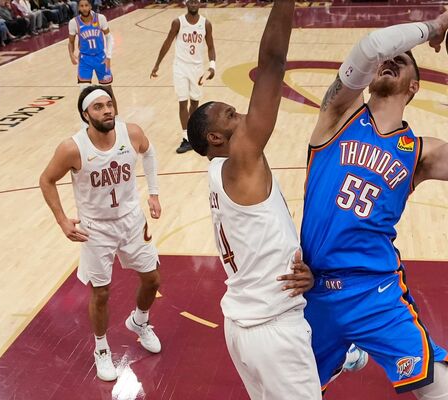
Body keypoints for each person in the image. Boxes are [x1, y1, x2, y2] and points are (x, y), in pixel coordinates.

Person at [299, 4, 448, 398]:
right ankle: (350, 353)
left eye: (403, 61)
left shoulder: (417, 152)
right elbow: (369, 48)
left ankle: (358, 348)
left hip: (374, 289)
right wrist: (434, 27)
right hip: (313, 289)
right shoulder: (337, 114)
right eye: (389, 58)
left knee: (439, 387)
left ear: (414, 87)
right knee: (291, 391)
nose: (391, 60)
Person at [186, 2, 321, 398]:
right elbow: (273, 62)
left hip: (245, 325)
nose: (242, 115)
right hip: (273, 331)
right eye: (231, 115)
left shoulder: (216, 172)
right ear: (215, 138)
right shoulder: (240, 163)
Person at [38, 86, 162, 382]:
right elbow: (46, 179)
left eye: (109, 104)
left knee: (153, 278)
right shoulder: (72, 148)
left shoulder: (130, 133)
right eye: (98, 107)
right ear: (85, 114)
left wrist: (154, 193)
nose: (107, 110)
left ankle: (139, 321)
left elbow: (149, 151)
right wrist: (61, 219)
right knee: (101, 292)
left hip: (132, 220)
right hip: (96, 229)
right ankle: (102, 348)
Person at [151, 0, 216, 154]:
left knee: (195, 102)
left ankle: (193, 135)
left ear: (199, 4)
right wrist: (157, 64)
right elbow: (167, 43)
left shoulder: (206, 24)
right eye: (191, 2)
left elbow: (211, 46)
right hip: (180, 67)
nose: (193, 5)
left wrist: (212, 66)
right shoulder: (178, 22)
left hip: (197, 68)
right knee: (182, 102)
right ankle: (186, 137)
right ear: (186, 3)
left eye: (196, 2)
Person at [68, 0, 117, 111]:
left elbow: (109, 37)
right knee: (83, 92)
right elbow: (71, 42)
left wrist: (108, 57)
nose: (84, 8)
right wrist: (71, 55)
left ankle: (116, 118)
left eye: (86, 5)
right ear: (78, 8)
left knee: (108, 90)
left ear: (90, 6)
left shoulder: (100, 18)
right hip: (85, 59)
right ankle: (85, 122)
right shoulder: (73, 22)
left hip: (101, 58)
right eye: (81, 6)